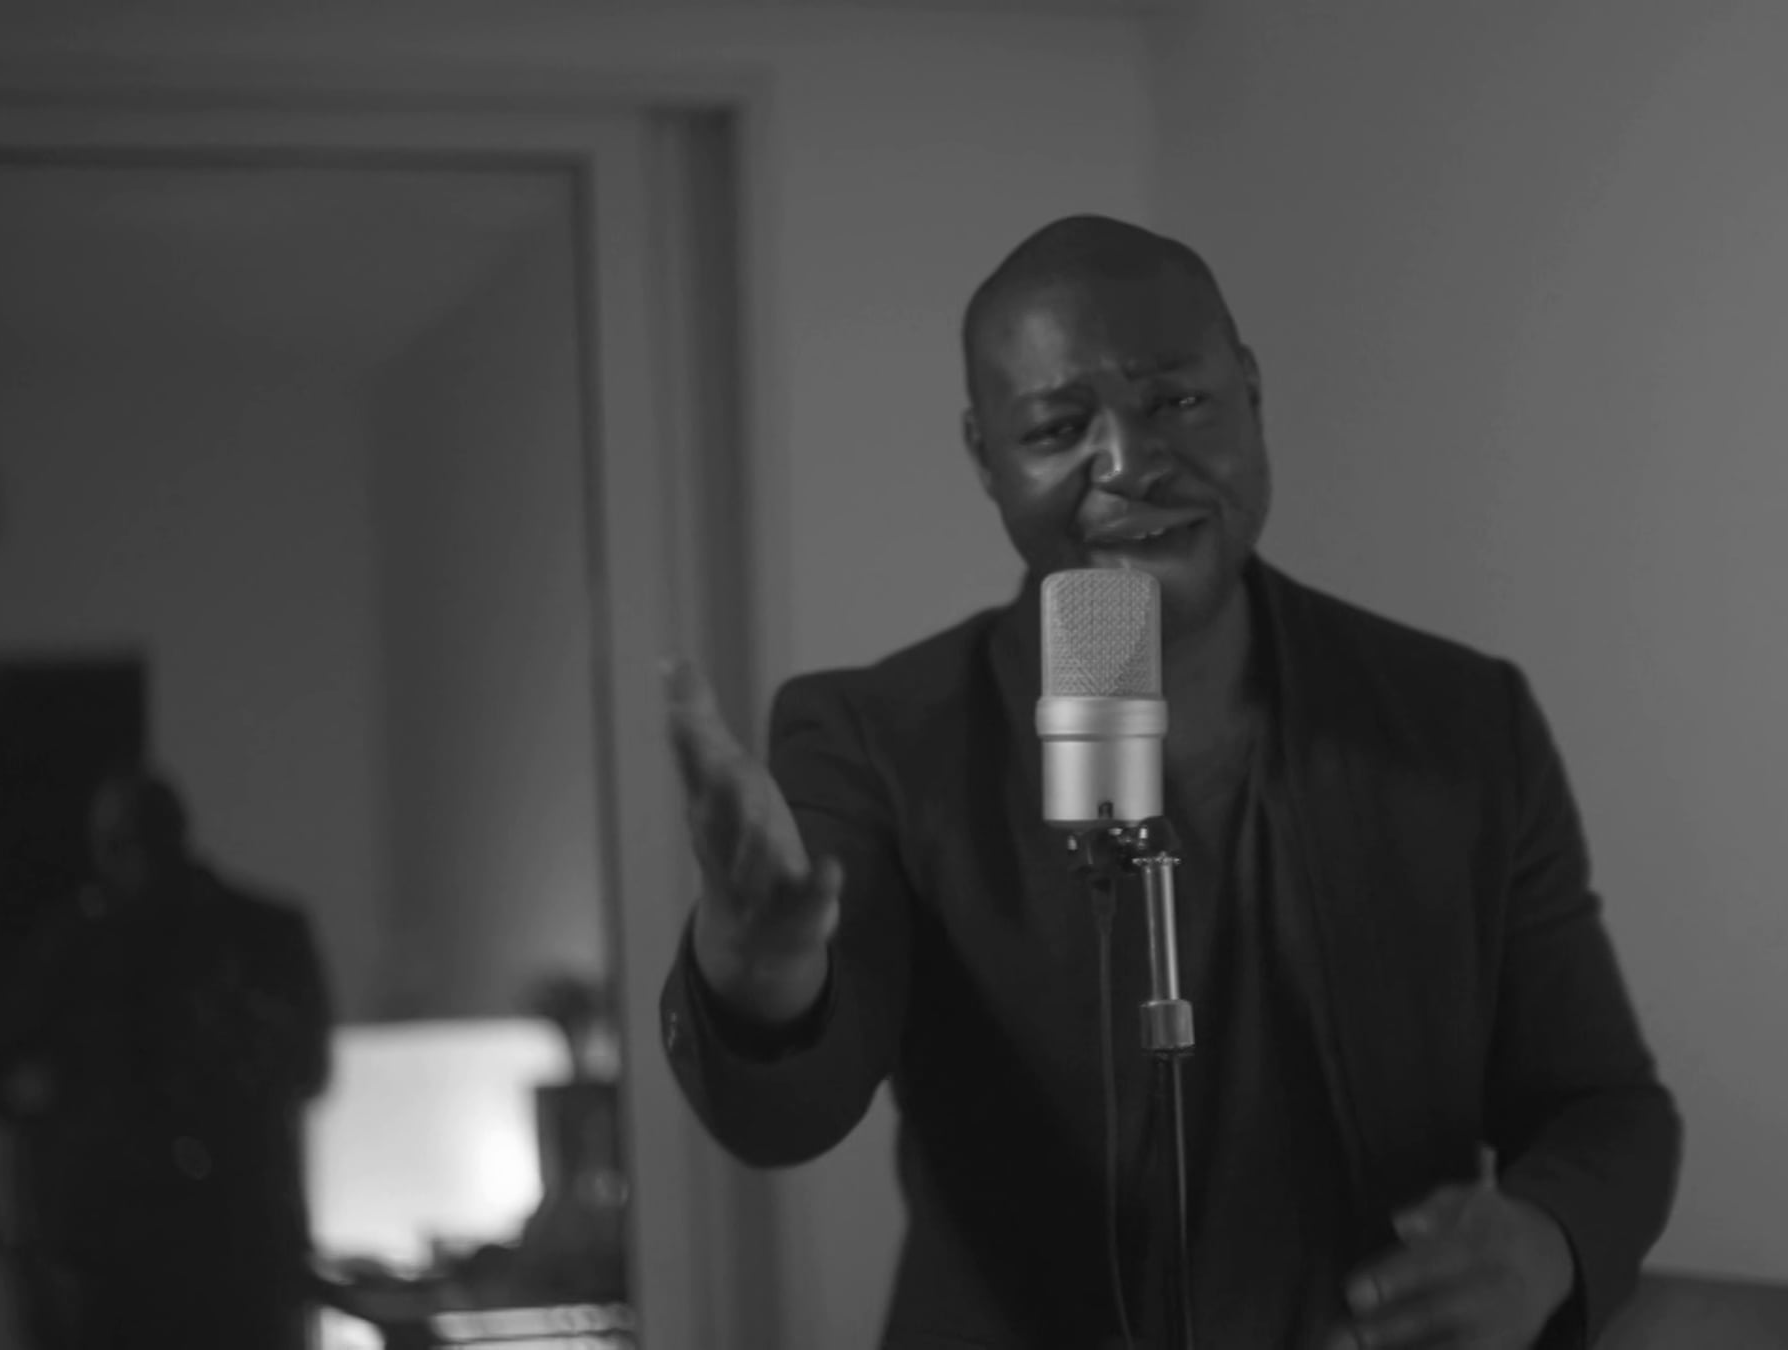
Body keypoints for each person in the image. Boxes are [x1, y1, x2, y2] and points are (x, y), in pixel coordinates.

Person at [661, 215, 1680, 1349]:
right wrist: (760, 977)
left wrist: (1548, 1238)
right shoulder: (876, 738)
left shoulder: (1460, 721)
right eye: (1058, 428)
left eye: (1178, 401)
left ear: (1251, 393)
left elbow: (1604, 1104)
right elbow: (786, 1115)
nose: (1129, 464)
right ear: (986, 458)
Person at [0, 768, 333, 1349]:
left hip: (135, 1254)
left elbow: (16, 1066)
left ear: (112, 848)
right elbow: (308, 1071)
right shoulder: (269, 931)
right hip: (235, 1242)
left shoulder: (79, 947)